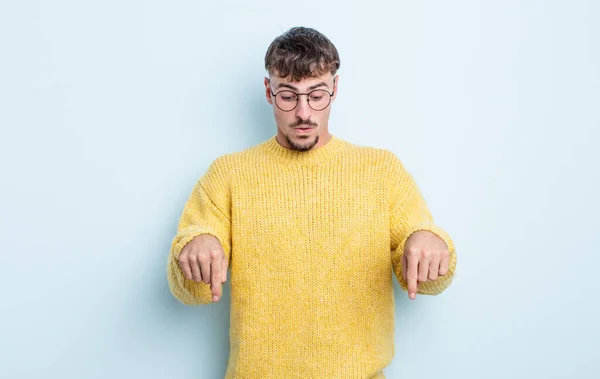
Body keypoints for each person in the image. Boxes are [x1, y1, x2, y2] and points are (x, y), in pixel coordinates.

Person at [167, 26, 457, 379]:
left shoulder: (381, 170)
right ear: (268, 91)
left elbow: (430, 279)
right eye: (288, 96)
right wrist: (198, 245)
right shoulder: (228, 174)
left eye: (316, 95)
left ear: (335, 88)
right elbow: (189, 290)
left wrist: (428, 240)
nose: (303, 113)